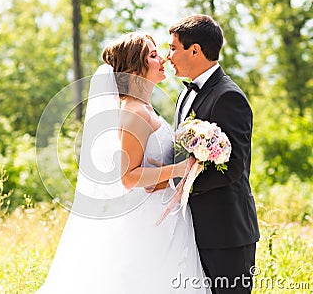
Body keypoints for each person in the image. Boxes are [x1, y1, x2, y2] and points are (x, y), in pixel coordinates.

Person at [35, 32, 210, 293]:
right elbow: (127, 177)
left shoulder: (145, 108)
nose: (161, 58)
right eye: (152, 55)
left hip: (163, 214)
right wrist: (180, 169)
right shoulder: (134, 112)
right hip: (147, 221)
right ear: (134, 69)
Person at [165, 15, 260, 293]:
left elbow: (233, 168)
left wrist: (183, 189)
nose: (168, 56)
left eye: (173, 48)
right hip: (194, 230)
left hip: (226, 234)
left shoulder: (228, 96)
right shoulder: (186, 94)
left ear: (195, 50)